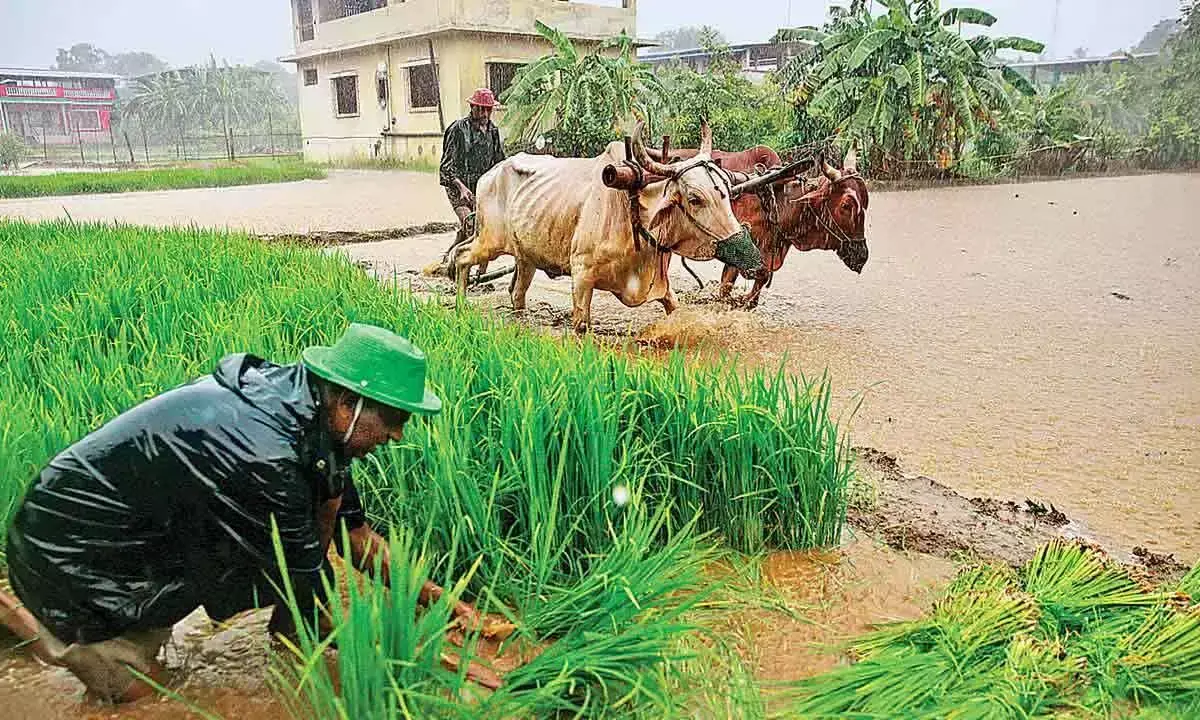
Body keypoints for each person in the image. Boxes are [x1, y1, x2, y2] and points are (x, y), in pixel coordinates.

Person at [0, 323, 499, 703]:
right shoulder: (264, 451)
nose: (397, 436)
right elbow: (302, 577)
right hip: (67, 553)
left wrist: (446, 604)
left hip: (138, 541)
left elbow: (356, 537)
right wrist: (403, 653)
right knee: (147, 699)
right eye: (393, 420)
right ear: (348, 403)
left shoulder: (311, 422)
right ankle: (24, 617)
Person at [439, 88, 506, 259]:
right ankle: (463, 272)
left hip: (481, 187)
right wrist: (461, 188)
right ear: (472, 107)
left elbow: (499, 163)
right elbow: (446, 167)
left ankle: (449, 257)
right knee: (471, 223)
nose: (484, 114)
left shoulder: (493, 131)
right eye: (481, 109)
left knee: (480, 227)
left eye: (488, 109)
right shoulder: (458, 129)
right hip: (458, 185)